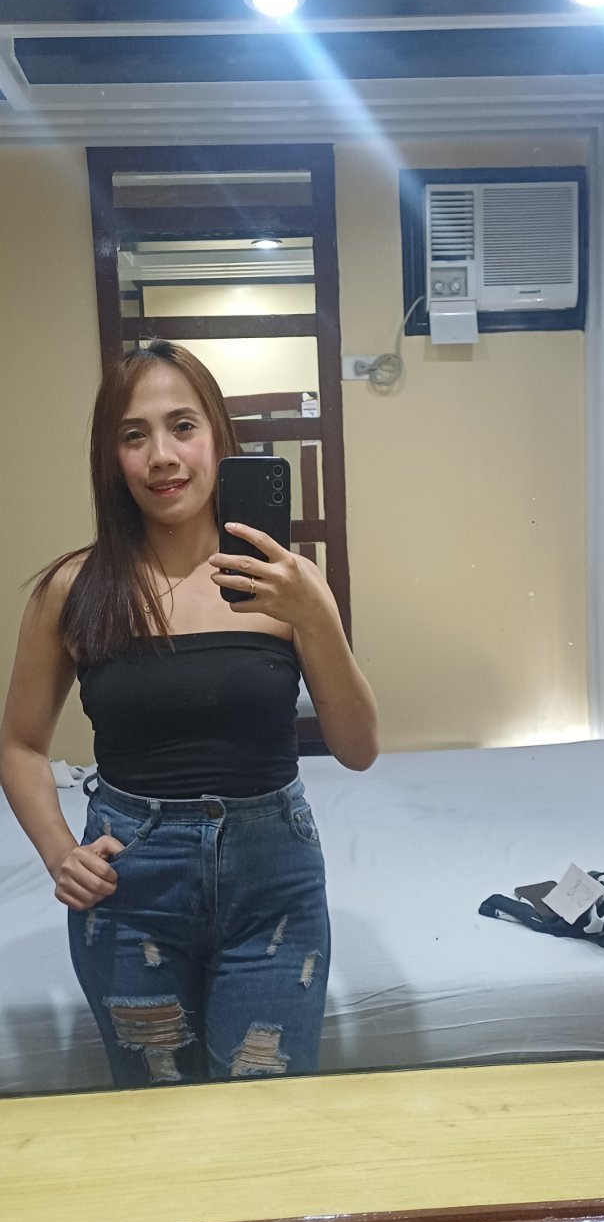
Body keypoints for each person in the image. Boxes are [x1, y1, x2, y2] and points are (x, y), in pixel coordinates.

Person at [0, 340, 379, 1088]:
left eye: (182, 426)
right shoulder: (74, 589)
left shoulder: (286, 582)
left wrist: (315, 616)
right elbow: (20, 743)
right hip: (129, 888)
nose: (162, 456)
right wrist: (57, 852)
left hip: (275, 882)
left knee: (267, 1109)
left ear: (218, 438)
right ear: (111, 458)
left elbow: (358, 747)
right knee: (157, 1111)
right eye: (133, 435)